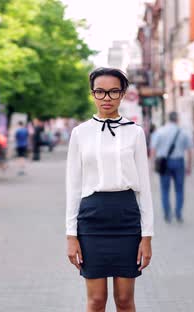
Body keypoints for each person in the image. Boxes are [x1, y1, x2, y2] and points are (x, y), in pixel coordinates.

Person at [66, 67, 154, 312]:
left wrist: (147, 237)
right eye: (100, 92)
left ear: (123, 93)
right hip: (91, 219)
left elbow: (144, 189)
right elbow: (73, 188)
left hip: (127, 217)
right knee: (96, 301)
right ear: (92, 94)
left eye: (114, 91)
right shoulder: (80, 133)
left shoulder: (135, 133)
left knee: (125, 300)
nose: (107, 98)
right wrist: (71, 235)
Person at [150, 111, 194, 224]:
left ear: (168, 119)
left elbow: (153, 149)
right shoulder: (183, 132)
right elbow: (189, 151)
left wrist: (152, 164)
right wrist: (189, 166)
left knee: (165, 190)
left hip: (164, 163)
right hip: (179, 162)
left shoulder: (160, 131)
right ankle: (178, 213)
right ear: (177, 119)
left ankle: (167, 214)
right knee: (179, 190)